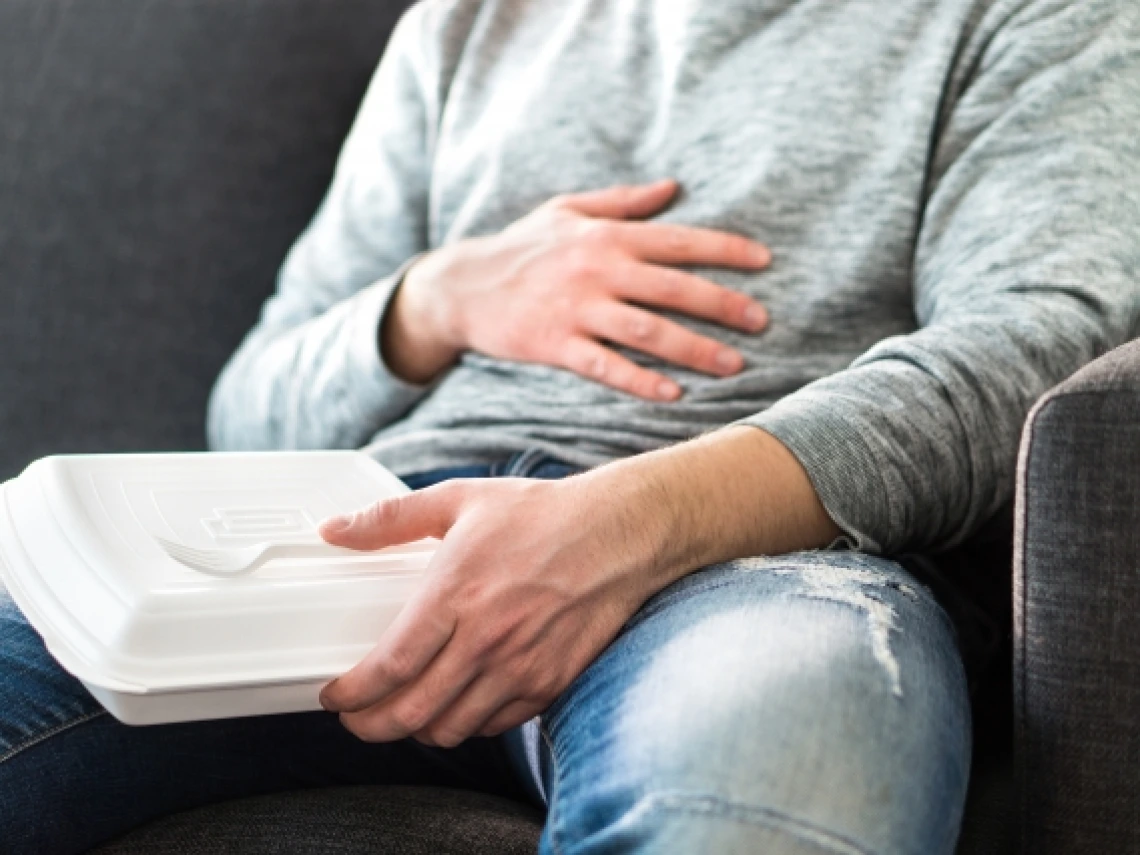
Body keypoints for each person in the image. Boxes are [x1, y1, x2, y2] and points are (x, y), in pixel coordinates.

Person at [3, 0, 1139, 852]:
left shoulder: (1037, 17)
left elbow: (1040, 355)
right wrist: (433, 301)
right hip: (362, 538)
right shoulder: (465, 26)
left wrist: (631, 521)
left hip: (753, 565)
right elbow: (247, 413)